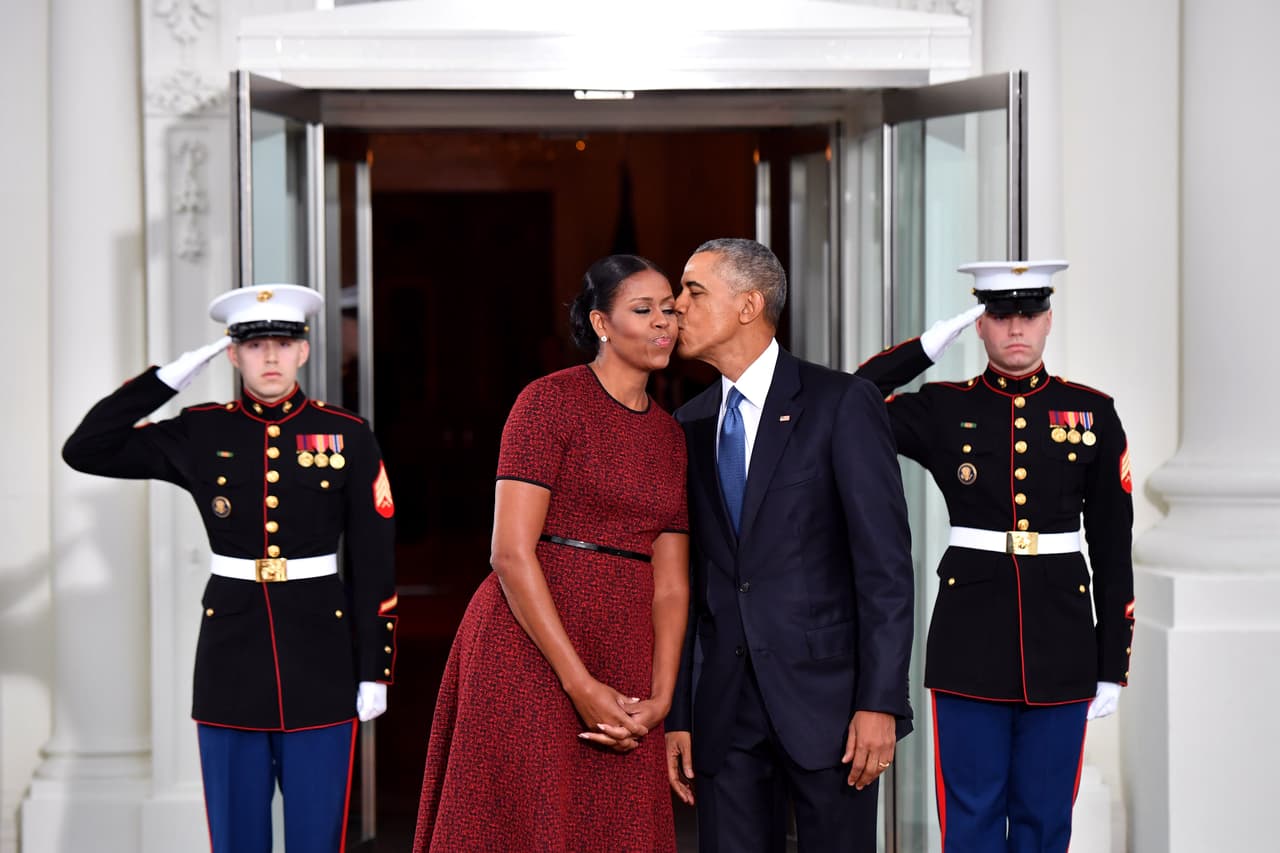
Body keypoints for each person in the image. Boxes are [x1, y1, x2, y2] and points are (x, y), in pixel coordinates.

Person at [62, 284, 398, 853]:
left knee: (317, 837)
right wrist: (167, 379)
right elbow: (87, 448)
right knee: (237, 837)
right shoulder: (202, 430)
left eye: (282, 344)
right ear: (233, 354)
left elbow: (372, 556)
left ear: (304, 352)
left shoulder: (348, 434)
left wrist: (374, 668)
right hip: (230, 655)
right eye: (254, 345)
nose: (270, 357)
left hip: (322, 655)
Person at [855, 260, 1135, 853]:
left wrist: (1113, 661)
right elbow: (852, 403)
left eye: (1029, 314)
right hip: (969, 639)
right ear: (979, 325)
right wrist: (924, 348)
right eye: (1000, 314)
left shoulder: (1093, 412)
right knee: (972, 817)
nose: (1016, 328)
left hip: (1063, 641)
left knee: (1044, 818)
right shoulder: (941, 408)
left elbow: (1113, 547)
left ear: (1049, 321)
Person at [413, 255, 690, 852]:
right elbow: (509, 553)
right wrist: (580, 685)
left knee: (616, 829)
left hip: (626, 654)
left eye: (669, 308)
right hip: (528, 648)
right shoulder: (548, 403)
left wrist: (661, 697)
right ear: (602, 324)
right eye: (643, 310)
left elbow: (671, 584)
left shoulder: (672, 436)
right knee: (523, 825)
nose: (663, 322)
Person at [665, 238, 915, 853]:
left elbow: (885, 569)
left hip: (832, 712)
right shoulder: (688, 425)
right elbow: (692, 582)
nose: (676, 306)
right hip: (724, 714)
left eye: (694, 292)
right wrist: (680, 715)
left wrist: (879, 702)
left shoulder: (840, 403)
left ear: (749, 305)